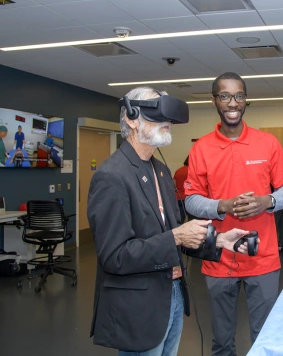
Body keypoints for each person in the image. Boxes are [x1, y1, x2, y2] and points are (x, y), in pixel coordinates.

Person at [87, 86, 252, 356]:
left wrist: (219, 240)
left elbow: (177, 232)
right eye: (157, 114)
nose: (168, 123)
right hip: (140, 304)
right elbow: (114, 256)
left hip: (173, 294)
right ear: (131, 118)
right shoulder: (111, 176)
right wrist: (176, 237)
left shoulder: (160, 170)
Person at [185, 72, 283, 356]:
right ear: (215, 101)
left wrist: (267, 201)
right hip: (219, 258)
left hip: (263, 258)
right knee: (222, 342)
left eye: (239, 96)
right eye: (225, 96)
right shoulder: (201, 148)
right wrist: (221, 206)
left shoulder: (267, 143)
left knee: (266, 338)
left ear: (246, 100)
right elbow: (191, 201)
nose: (232, 102)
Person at [173, 155, 190, 222]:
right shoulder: (192, 171)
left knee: (179, 220)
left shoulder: (178, 170)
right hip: (187, 199)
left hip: (177, 198)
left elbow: (173, 184)